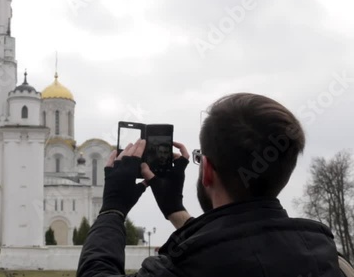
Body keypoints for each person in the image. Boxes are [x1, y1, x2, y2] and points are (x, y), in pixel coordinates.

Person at [77, 93, 342, 276]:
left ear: (207, 172)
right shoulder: (327, 257)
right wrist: (175, 211)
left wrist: (112, 209)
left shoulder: (181, 268)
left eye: (200, 159)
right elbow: (244, 240)